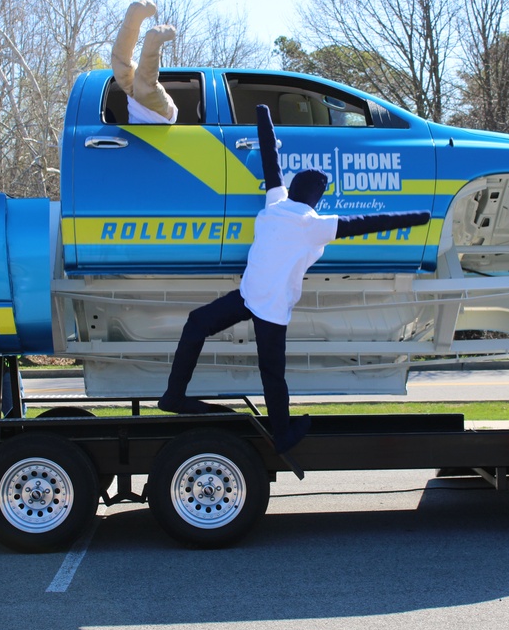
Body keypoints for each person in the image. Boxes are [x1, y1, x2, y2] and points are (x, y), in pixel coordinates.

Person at [158, 104, 431, 453]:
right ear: (317, 198)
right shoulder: (313, 225)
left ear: (294, 187)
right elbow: (368, 222)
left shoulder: (275, 203)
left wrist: (262, 115)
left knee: (197, 323)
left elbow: (270, 159)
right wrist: (420, 216)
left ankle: (174, 394)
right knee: (271, 374)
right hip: (270, 308)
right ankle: (283, 434)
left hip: (247, 296)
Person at [111, 0, 177, 124]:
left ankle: (134, 16)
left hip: (136, 103)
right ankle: (153, 39)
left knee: (120, 65)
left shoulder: (135, 94)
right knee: (145, 86)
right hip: (160, 117)